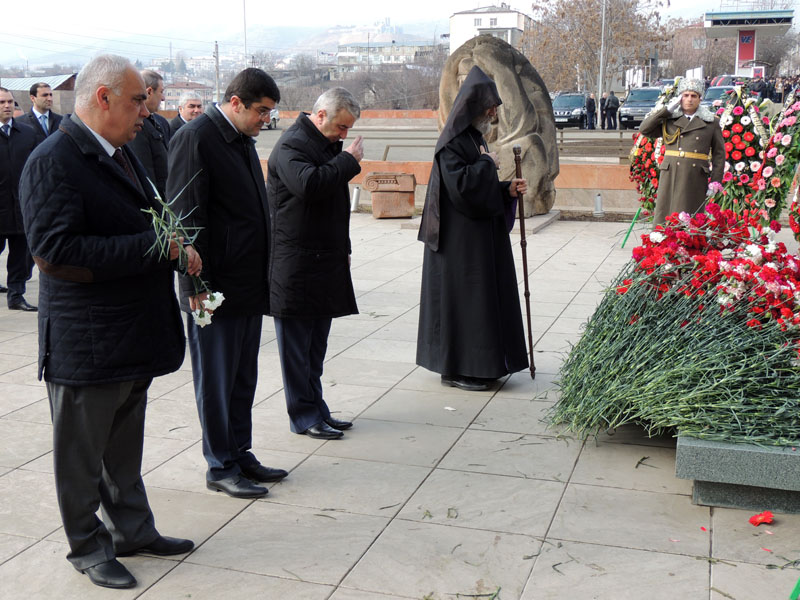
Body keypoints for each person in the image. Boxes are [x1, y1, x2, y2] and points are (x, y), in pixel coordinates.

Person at [18, 54, 199, 590]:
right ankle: (88, 547)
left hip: (131, 330)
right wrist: (153, 246)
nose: (146, 111)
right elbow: (54, 252)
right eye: (137, 101)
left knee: (123, 447)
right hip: (87, 338)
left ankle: (133, 531)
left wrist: (174, 244)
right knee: (81, 455)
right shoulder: (54, 159)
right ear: (102, 99)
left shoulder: (122, 152)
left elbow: (146, 218)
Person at [169, 68, 288, 499]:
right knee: (216, 381)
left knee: (241, 378)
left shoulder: (240, 139)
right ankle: (220, 465)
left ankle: (240, 452)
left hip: (246, 285)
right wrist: (196, 286)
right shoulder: (196, 138)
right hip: (211, 290)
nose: (265, 119)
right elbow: (184, 220)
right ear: (236, 102)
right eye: (261, 110)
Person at [416, 66, 529, 392]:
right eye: (490, 109)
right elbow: (462, 188)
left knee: (478, 303)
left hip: (474, 239)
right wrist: (486, 164)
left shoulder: (473, 138)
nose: (493, 115)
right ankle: (458, 368)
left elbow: (478, 188)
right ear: (474, 107)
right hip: (457, 245)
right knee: (465, 305)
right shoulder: (451, 143)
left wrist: (505, 189)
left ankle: (482, 364)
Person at [267, 88, 363, 440]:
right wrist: (348, 161)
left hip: (323, 258)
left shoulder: (326, 144)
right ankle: (303, 415)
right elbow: (309, 185)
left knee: (315, 347)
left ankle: (317, 408)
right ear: (320, 115)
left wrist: (344, 246)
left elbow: (333, 203)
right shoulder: (291, 145)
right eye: (340, 127)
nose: (344, 135)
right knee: (297, 348)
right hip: (294, 264)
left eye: (348, 129)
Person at [639, 78, 725, 225]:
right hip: (671, 172)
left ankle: (690, 244)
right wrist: (666, 110)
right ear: (680, 98)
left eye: (694, 96)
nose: (689, 99)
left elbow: (719, 154)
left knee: (692, 215)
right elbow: (644, 129)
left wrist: (715, 181)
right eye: (685, 95)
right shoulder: (670, 119)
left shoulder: (711, 122)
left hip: (695, 174)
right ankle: (662, 243)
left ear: (700, 99)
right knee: (667, 213)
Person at [0, 87, 38, 311]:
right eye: (2, 102)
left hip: (22, 208)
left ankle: (16, 295)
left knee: (21, 256)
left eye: (10, 102)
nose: (7, 106)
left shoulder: (27, 134)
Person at [127, 70, 170, 197]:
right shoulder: (136, 125)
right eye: (161, 92)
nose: (163, 98)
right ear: (149, 92)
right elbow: (144, 174)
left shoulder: (160, 121)